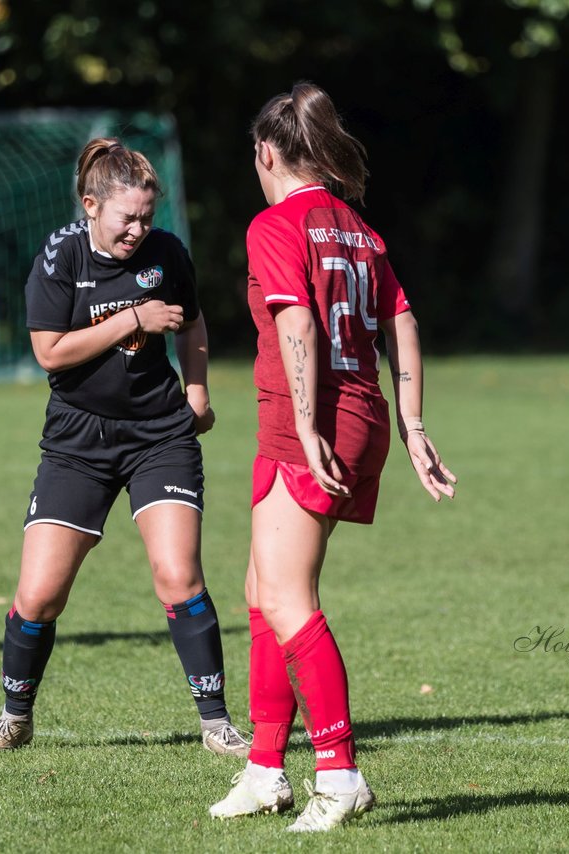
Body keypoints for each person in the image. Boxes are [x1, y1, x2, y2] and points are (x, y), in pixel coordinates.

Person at [208, 84, 456, 831]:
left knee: (288, 599)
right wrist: (411, 423)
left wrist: (309, 425)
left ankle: (341, 773)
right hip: (356, 413)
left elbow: (298, 326)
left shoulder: (275, 224)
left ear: (267, 153)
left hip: (307, 419)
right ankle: (263, 769)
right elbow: (402, 319)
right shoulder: (358, 228)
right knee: (260, 591)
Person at [0, 137, 249, 757]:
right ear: (91, 205)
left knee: (178, 575)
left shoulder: (167, 253)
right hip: (78, 439)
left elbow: (194, 320)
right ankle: (15, 716)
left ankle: (217, 722)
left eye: (149, 215)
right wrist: (132, 320)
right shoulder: (58, 258)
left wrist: (197, 389)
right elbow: (49, 353)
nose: (139, 229)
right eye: (129, 217)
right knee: (40, 594)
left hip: (159, 434)